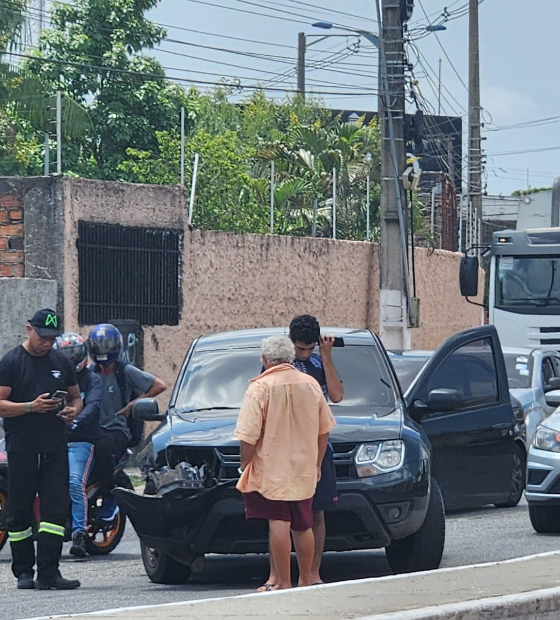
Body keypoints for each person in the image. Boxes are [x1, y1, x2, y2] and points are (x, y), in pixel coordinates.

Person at [235, 335, 336, 591]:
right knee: (304, 523)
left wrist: (245, 464)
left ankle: (282, 581)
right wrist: (316, 462)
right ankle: (306, 578)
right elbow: (325, 429)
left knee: (278, 521)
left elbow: (247, 435)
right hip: (303, 466)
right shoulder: (311, 384)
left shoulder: (259, 388)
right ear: (290, 357)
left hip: (271, 467)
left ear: (264, 359)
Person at [0, 309, 83, 590]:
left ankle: (49, 571)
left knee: (54, 511)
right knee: (20, 511)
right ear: (29, 330)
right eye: (42, 337)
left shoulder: (61, 361)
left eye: (52, 338)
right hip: (22, 448)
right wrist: (29, 407)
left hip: (54, 448)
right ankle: (24, 571)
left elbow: (75, 397)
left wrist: (73, 411)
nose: (46, 343)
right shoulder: (12, 362)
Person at [260, 314, 343, 589]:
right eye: (300, 349)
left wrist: (326, 357)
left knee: (316, 513)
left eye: (309, 348)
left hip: (316, 449)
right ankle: (277, 575)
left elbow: (337, 395)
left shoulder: (319, 364)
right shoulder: (277, 365)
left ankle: (312, 573)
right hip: (283, 450)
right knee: (279, 517)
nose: (304, 354)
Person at [87, 323, 167, 523]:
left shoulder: (125, 371)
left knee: (103, 448)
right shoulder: (90, 372)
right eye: (99, 345)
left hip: (117, 431)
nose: (103, 350)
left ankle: (110, 497)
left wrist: (134, 403)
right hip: (93, 429)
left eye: (107, 345)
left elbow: (159, 385)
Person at [53, 333, 102, 558]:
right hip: (53, 440)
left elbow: (92, 406)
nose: (69, 361)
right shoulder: (53, 376)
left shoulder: (92, 379)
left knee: (74, 482)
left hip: (80, 439)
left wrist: (76, 422)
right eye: (64, 356)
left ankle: (79, 534)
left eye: (73, 356)